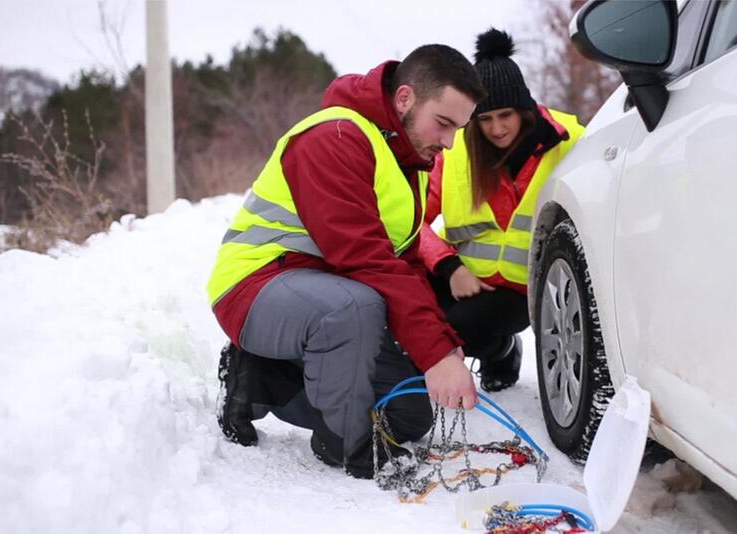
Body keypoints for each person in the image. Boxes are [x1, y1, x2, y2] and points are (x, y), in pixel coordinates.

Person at [206, 44, 487, 479]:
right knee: (353, 308)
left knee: (411, 417)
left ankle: (260, 378)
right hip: (258, 285)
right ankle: (345, 443)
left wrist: (440, 345)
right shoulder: (334, 137)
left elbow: (406, 266)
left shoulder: (402, 160)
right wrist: (436, 356)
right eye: (444, 124)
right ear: (405, 98)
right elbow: (364, 259)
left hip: (328, 295)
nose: (449, 143)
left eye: (458, 130)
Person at [419, 29, 585, 392]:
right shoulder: (455, 150)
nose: (496, 129)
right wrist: (449, 267)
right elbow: (414, 222)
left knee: (455, 332)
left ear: (524, 108)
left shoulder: (571, 143)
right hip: (461, 277)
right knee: (413, 316)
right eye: (485, 118)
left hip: (523, 290)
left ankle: (501, 351)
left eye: (505, 115)